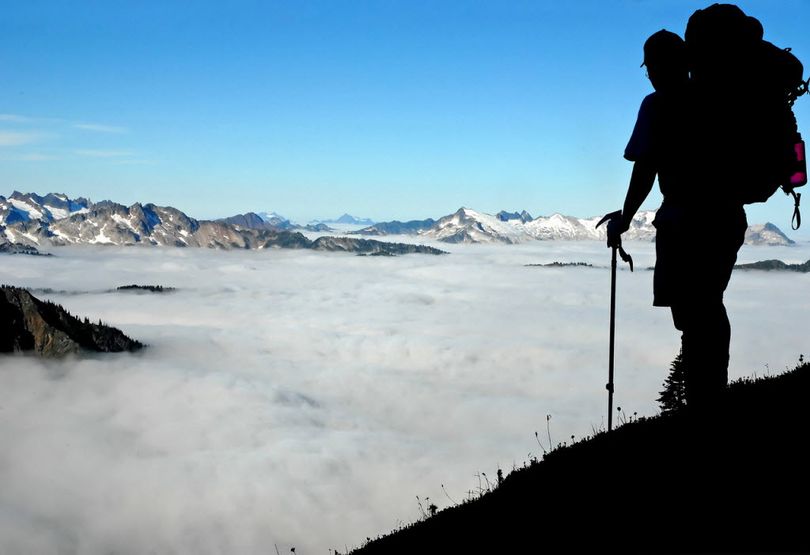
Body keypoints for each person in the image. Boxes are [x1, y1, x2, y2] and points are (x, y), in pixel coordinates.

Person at [608, 29, 748, 411]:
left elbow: (645, 169)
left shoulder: (657, 106)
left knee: (694, 313)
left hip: (685, 222)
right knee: (708, 306)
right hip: (727, 219)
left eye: (652, 67)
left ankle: (705, 400)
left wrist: (625, 216)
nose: (650, 75)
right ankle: (710, 393)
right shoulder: (720, 99)